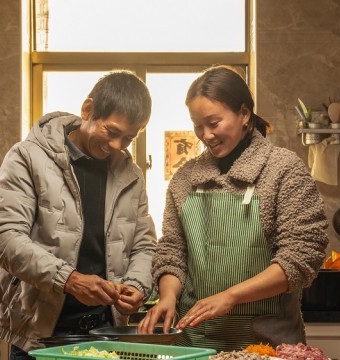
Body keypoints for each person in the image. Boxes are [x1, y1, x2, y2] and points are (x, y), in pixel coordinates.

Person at [137, 66, 329, 351]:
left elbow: (300, 257)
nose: (206, 135)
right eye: (197, 125)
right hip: (194, 345)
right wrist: (167, 297)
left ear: (244, 114)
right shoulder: (185, 179)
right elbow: (172, 252)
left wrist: (231, 296)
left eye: (214, 123)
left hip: (268, 345)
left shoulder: (283, 170)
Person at [0, 70, 157, 359]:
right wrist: (69, 279)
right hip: (38, 334)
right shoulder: (27, 156)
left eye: (128, 138)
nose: (117, 146)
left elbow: (144, 244)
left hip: (106, 334)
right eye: (111, 132)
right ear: (88, 110)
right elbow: (3, 238)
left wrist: (137, 285)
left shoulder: (131, 175)